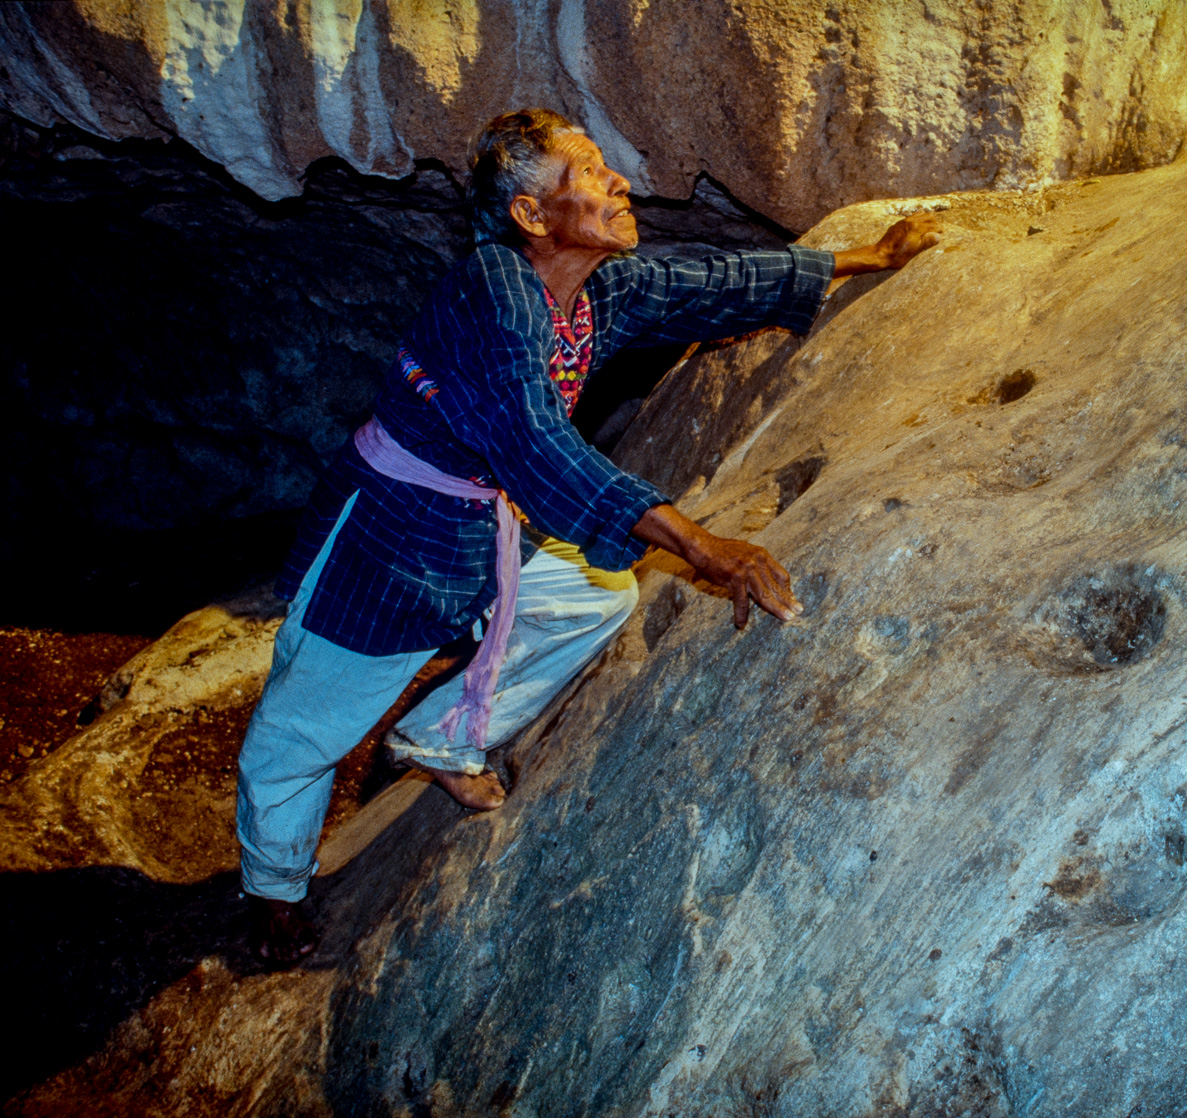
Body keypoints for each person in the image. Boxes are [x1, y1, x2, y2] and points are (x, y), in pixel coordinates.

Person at [235, 108, 941, 963]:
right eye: (591, 171)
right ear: (533, 216)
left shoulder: (597, 291)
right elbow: (532, 438)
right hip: (390, 538)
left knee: (592, 594)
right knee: (304, 732)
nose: (620, 183)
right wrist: (695, 543)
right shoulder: (492, 290)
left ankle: (444, 733)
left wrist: (865, 257)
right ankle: (271, 893)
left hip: (477, 527)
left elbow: (710, 284)